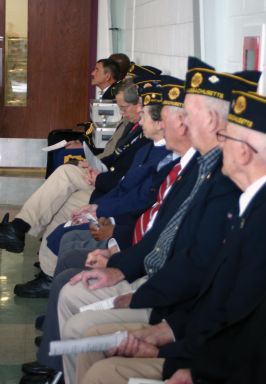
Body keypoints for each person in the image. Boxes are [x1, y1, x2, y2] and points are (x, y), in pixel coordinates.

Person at [56, 58, 259, 384]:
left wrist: (174, 342)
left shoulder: (230, 192)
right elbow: (163, 235)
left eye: (229, 134)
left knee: (90, 343)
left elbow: (203, 274)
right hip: (178, 315)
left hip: (189, 330)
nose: (175, 126)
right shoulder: (202, 170)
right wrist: (119, 267)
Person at [0, 77, 149, 297]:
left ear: (141, 106)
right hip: (104, 179)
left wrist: (97, 177)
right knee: (64, 195)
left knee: (65, 179)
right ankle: (45, 265)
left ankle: (21, 228)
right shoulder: (131, 124)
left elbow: (128, 178)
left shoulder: (148, 138)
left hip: (110, 190)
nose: (122, 112)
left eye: (125, 108)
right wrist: (92, 162)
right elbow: (112, 156)